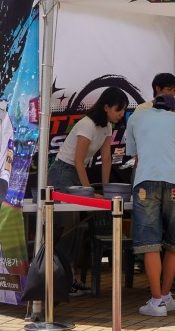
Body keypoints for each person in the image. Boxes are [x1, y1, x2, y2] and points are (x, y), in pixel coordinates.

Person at [48, 86, 127, 295]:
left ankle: (67, 277)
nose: (121, 114)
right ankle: (59, 280)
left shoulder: (106, 127)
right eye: (119, 109)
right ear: (106, 106)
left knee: (74, 229)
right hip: (62, 173)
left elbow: (107, 159)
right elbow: (78, 161)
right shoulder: (87, 124)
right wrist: (90, 193)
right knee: (66, 228)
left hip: (74, 174)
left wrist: (107, 190)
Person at [126, 93, 175, 316]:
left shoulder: (135, 118)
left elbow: (135, 156)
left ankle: (156, 302)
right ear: (172, 109)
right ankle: (165, 295)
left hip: (145, 181)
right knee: (174, 242)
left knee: (149, 242)